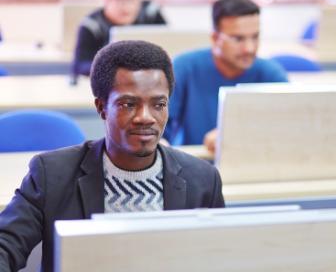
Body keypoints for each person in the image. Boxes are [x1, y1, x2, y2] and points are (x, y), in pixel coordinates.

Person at [0, 41, 225, 272]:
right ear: (101, 107)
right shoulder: (52, 174)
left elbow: (224, 259)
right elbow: (5, 245)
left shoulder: (203, 180)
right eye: (128, 104)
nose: (146, 117)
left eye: (159, 104)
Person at [164, 0, 288, 152]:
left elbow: (289, 130)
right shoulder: (184, 68)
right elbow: (159, 127)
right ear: (215, 38)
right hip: (193, 166)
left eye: (255, 37)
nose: (249, 48)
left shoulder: (271, 75)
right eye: (238, 39)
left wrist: (238, 136)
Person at [71, 0, 166, 83]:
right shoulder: (91, 26)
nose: (127, 7)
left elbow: (170, 47)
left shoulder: (151, 13)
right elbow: (80, 65)